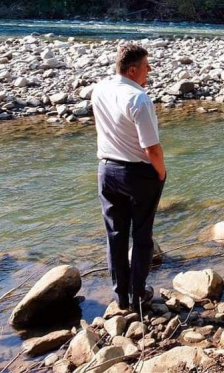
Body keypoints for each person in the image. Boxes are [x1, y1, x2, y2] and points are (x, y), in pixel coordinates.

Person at [91, 44, 166, 312]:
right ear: (133, 70)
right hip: (138, 174)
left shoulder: (99, 89)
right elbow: (151, 148)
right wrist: (161, 171)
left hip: (106, 170)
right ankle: (138, 296)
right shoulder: (138, 99)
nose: (150, 70)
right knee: (142, 236)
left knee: (116, 236)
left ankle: (121, 297)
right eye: (147, 66)